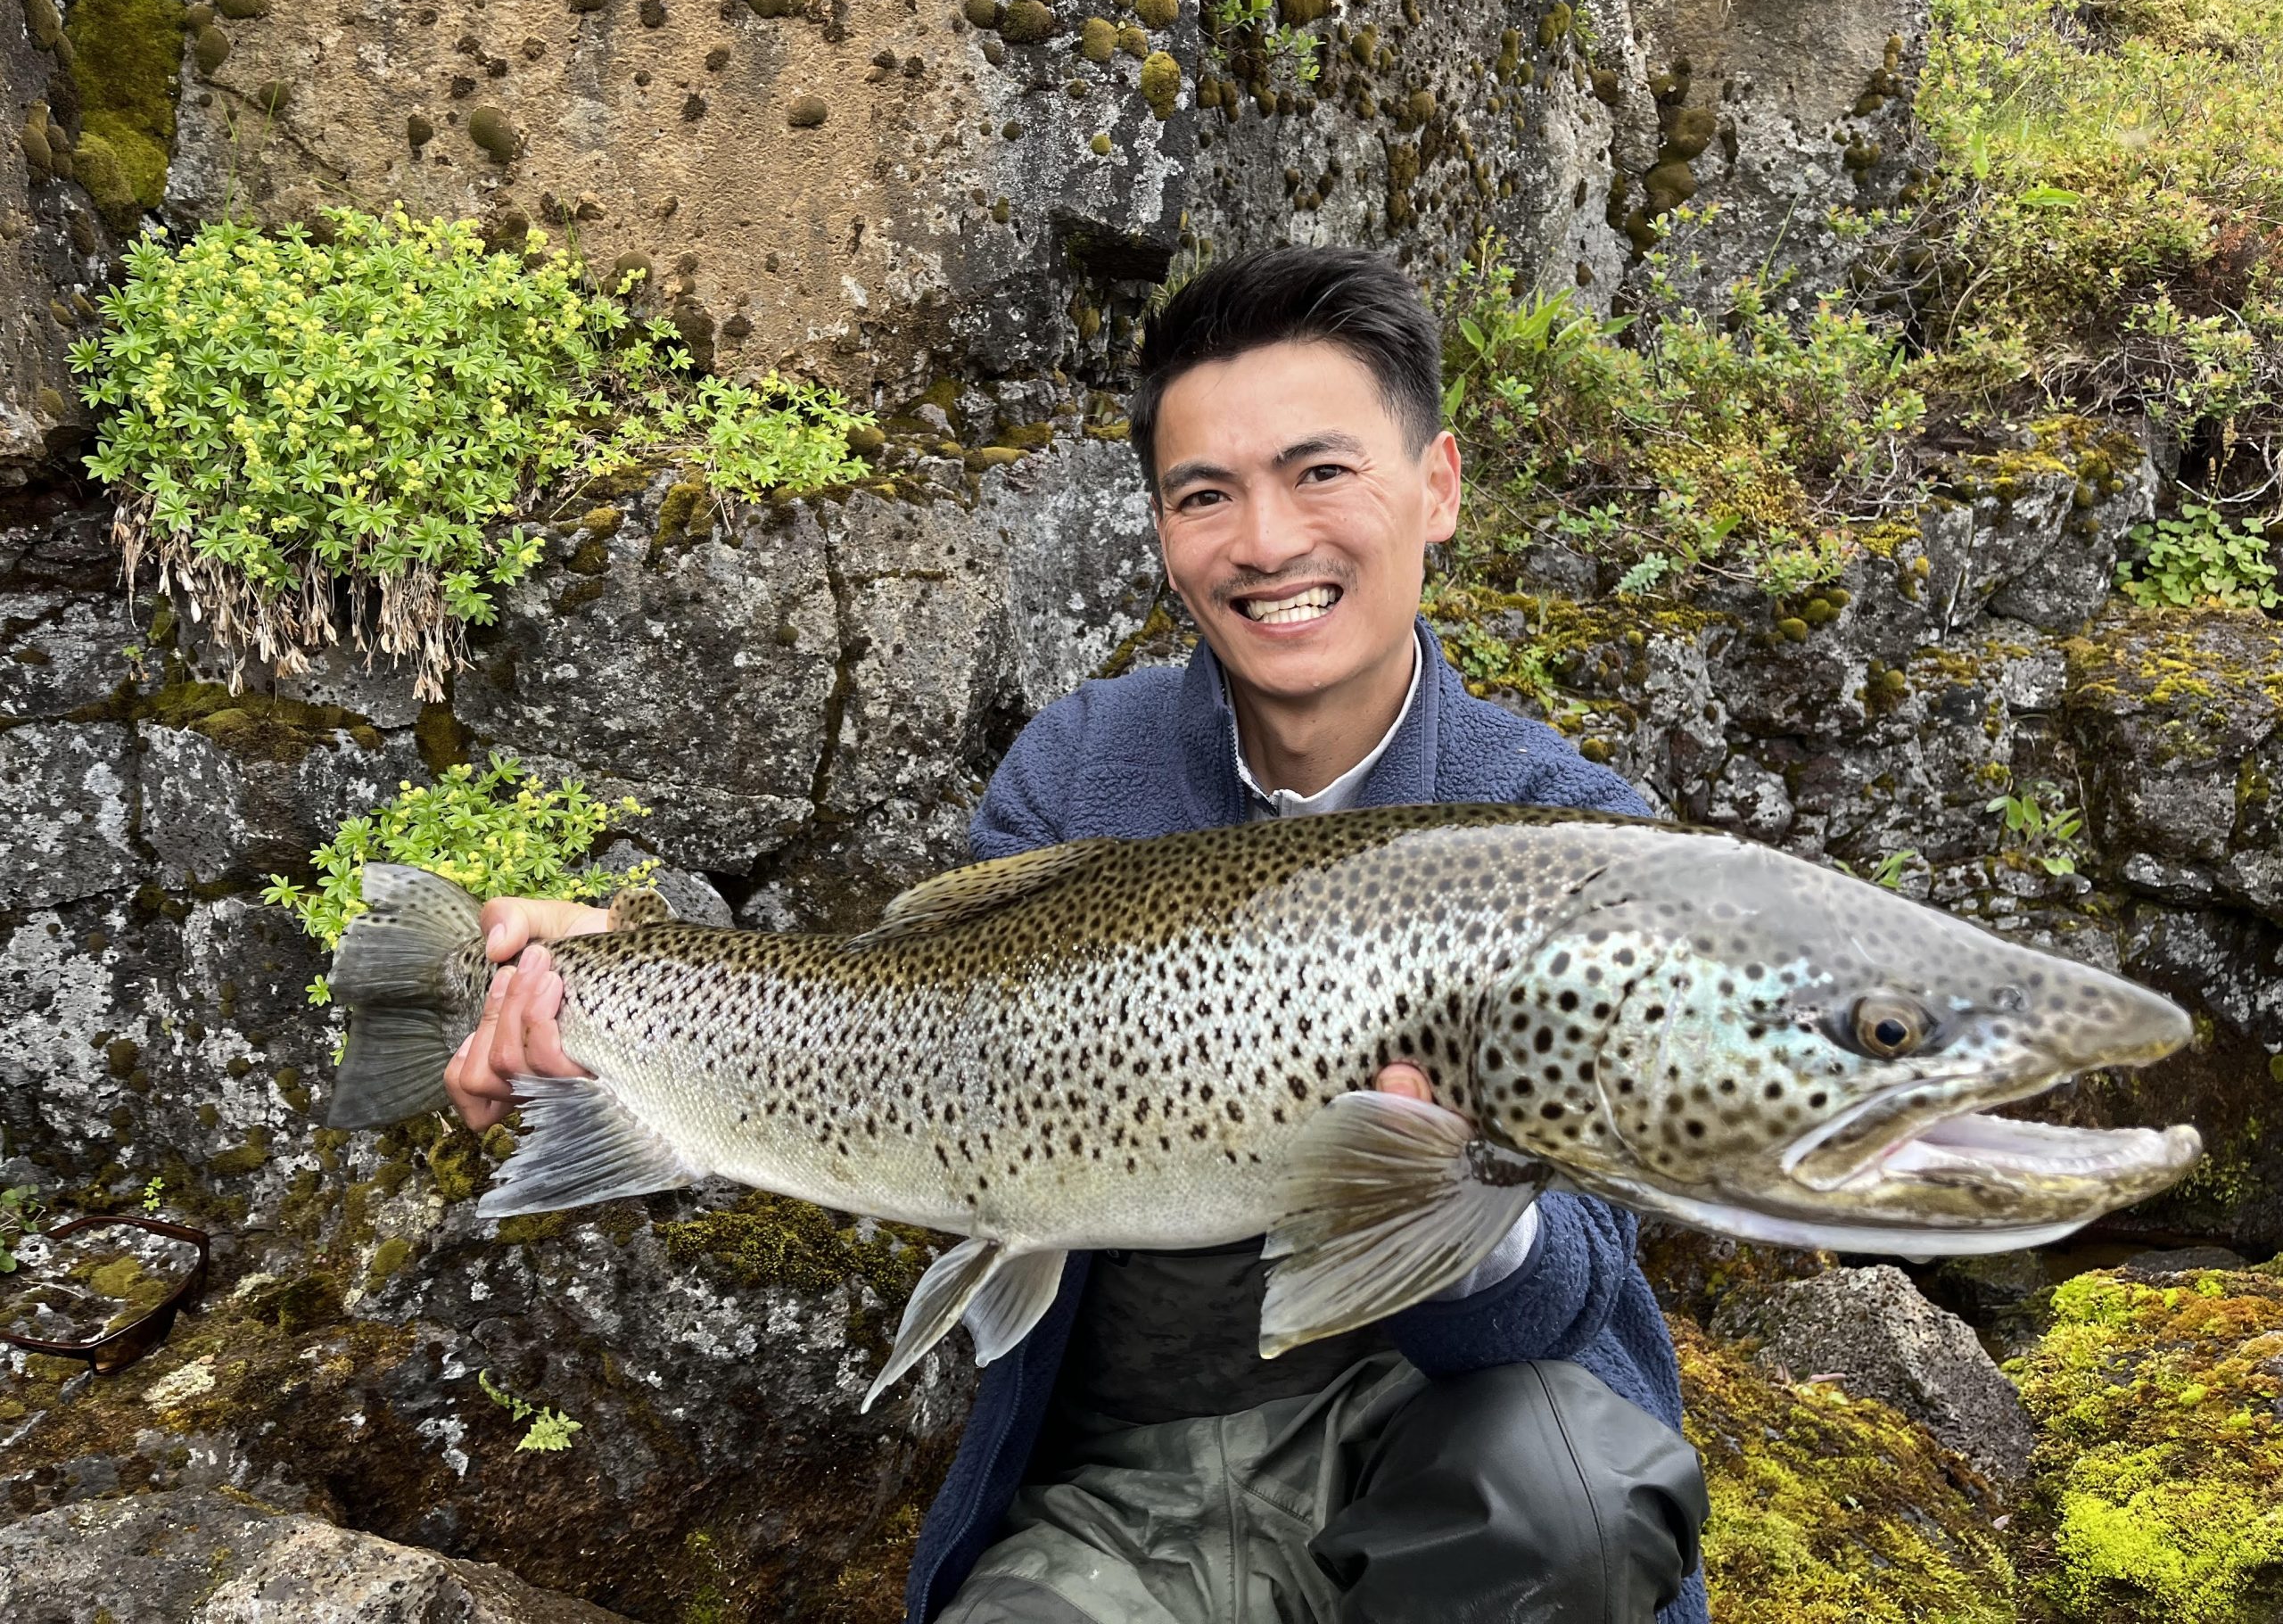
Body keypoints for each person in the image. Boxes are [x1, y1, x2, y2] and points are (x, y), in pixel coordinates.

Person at [448, 246, 1711, 1624]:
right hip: (1123, 1489)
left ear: (1440, 485)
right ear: (1164, 532)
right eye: (1204, 495)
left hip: (1448, 1450)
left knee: (1570, 1500)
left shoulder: (1560, 825)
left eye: (1322, 471)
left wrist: (1448, 1194)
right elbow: (909, 1018)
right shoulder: (1082, 763)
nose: (1269, 540)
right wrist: (631, 981)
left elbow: (1574, 1290)